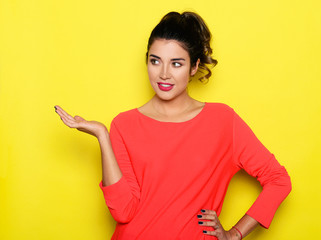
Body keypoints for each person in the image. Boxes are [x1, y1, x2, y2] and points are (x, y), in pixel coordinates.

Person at [55, 11, 291, 240]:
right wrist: (102, 136)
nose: (164, 74)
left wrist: (235, 234)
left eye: (176, 64)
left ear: (194, 67)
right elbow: (122, 211)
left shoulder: (222, 121)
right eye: (155, 61)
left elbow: (278, 181)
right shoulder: (124, 125)